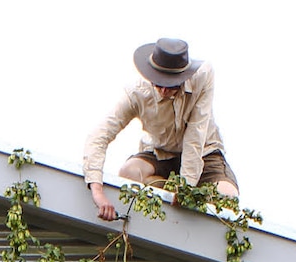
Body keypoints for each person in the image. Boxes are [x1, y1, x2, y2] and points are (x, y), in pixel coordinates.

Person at [83, 37, 238, 221]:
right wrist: (98, 192)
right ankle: (165, 187)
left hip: (204, 153)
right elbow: (99, 135)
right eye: (158, 83)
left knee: (227, 197)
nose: (163, 90)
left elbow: (195, 135)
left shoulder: (203, 76)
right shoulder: (136, 94)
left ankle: (187, 191)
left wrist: (185, 187)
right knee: (129, 173)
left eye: (170, 85)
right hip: (160, 153)